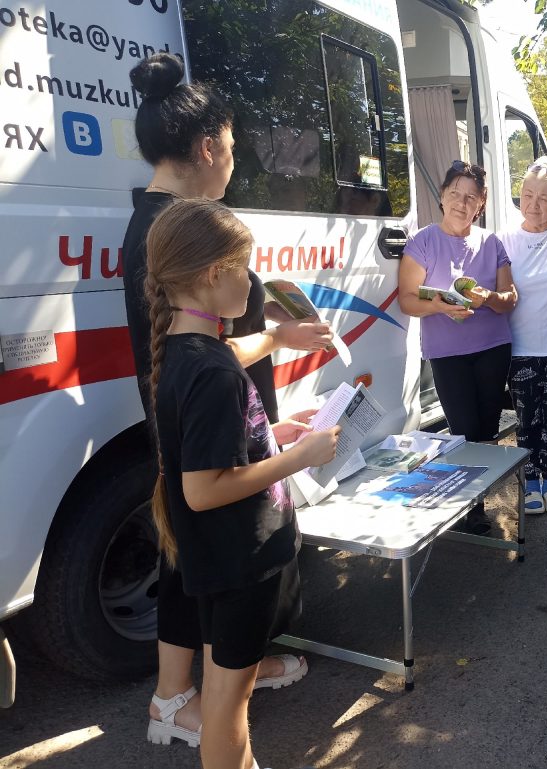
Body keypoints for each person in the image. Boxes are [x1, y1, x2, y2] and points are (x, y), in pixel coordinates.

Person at [121, 52, 331, 748]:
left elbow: (204, 352)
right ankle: (186, 697)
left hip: (220, 438)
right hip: (212, 461)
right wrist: (284, 450)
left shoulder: (171, 227)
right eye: (234, 148)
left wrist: (271, 351)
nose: (235, 163)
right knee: (195, 562)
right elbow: (202, 376)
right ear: (208, 147)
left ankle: (216, 684)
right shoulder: (174, 229)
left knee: (197, 565)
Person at [144, 199, 339, 769]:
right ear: (213, 275)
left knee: (227, 694)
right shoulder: (211, 370)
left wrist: (269, 433)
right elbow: (203, 489)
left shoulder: (190, 350)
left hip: (221, 557)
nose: (252, 283)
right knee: (229, 706)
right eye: (245, 268)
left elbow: (214, 444)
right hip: (240, 561)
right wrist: (296, 458)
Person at [398, 161, 518, 535]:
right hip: (446, 352)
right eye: (455, 194)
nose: (461, 203)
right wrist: (439, 305)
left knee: (486, 426)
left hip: (492, 347)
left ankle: (477, 502)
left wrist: (489, 298)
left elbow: (510, 299)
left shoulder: (491, 242)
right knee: (462, 428)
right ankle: (469, 505)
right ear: (442, 196)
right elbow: (406, 300)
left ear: (480, 204)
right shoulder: (422, 241)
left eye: (471, 197)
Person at [498, 156, 547, 515]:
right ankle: (531, 482)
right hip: (520, 349)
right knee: (526, 420)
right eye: (527, 195)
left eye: (544, 198)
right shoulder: (504, 239)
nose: (533, 205)